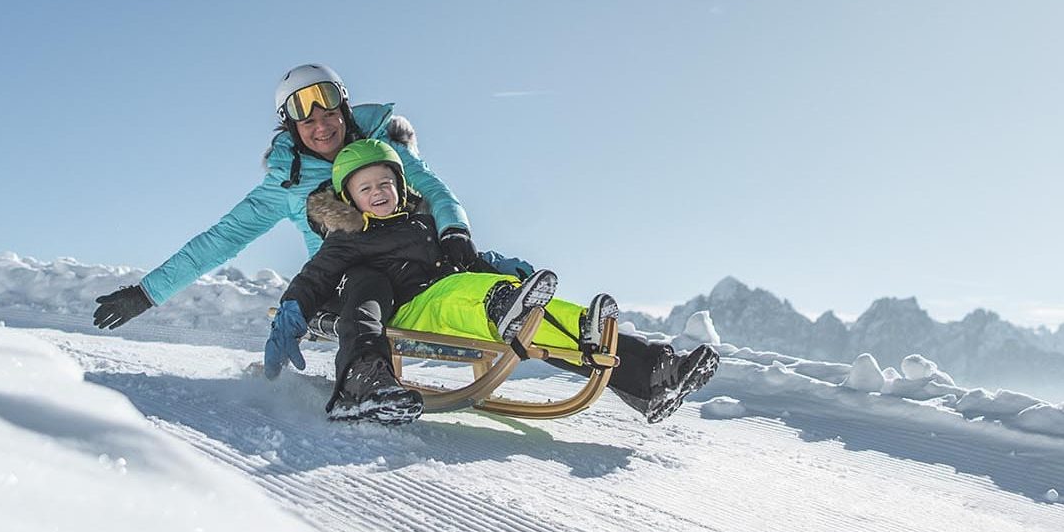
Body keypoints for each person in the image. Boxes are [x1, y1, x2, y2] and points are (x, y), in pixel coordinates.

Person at [92, 65, 716, 422]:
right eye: (305, 116)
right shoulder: (283, 187)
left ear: (342, 104)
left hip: (423, 263)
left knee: (495, 295)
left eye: (328, 107)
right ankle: (366, 374)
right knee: (402, 291)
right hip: (357, 279)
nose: (321, 122)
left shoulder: (387, 151)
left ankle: (646, 370)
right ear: (292, 125)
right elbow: (216, 242)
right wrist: (147, 293)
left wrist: (458, 235)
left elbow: (436, 189)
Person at [265, 139, 627, 423]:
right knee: (466, 292)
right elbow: (315, 277)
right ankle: (364, 381)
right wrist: (291, 311)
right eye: (366, 188)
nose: (378, 192)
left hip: (453, 297)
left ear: (400, 187)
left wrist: (500, 264)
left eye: (386, 183)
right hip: (417, 307)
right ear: (349, 199)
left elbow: (467, 258)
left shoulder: (423, 224)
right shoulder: (347, 238)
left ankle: (610, 344)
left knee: (534, 310)